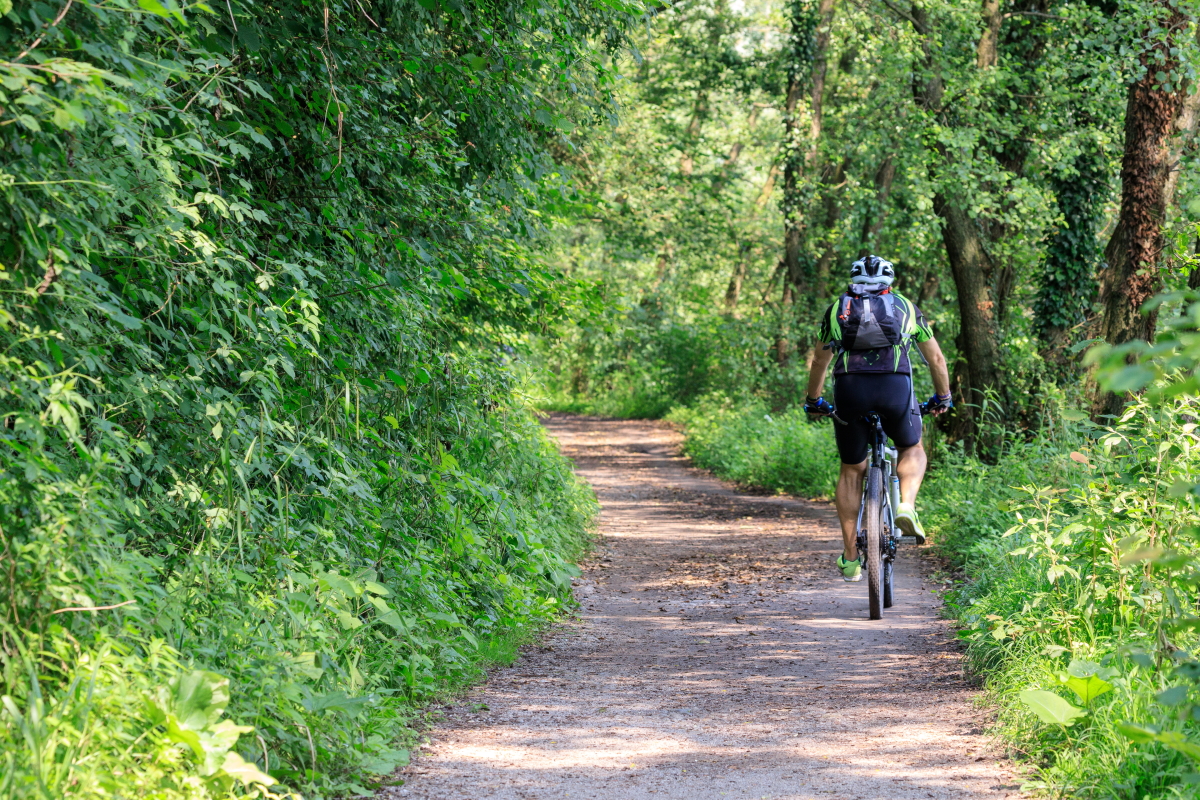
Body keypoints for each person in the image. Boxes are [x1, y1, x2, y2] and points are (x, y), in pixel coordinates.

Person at [802, 255, 953, 582]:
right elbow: (937, 359)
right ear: (890, 281)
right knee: (912, 448)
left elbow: (819, 362)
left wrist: (813, 400)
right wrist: (944, 397)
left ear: (852, 281)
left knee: (851, 470)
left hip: (850, 391)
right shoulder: (906, 306)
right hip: (894, 389)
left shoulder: (836, 310)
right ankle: (906, 507)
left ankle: (851, 557)